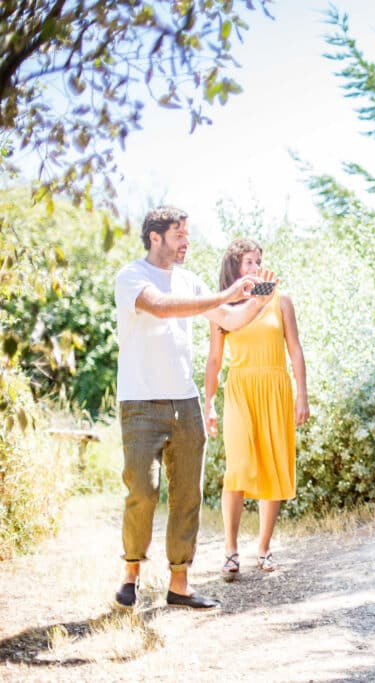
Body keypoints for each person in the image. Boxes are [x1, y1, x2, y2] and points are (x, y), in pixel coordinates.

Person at [113, 206, 275, 610]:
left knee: (187, 496)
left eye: (187, 234)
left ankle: (179, 586)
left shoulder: (191, 280)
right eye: (179, 235)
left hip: (185, 403)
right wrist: (225, 294)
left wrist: (259, 298)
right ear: (156, 237)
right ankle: (131, 573)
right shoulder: (131, 276)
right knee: (143, 492)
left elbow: (230, 320)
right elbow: (163, 306)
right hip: (139, 401)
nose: (187, 242)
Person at [204, 238, 309, 580]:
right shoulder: (223, 308)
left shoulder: (282, 301)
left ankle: (263, 548)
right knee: (238, 466)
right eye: (247, 262)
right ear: (234, 268)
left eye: (257, 261)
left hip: (276, 387)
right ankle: (230, 552)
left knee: (272, 465)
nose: (253, 267)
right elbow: (215, 359)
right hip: (240, 389)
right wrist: (209, 404)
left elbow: (294, 349)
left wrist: (302, 394)